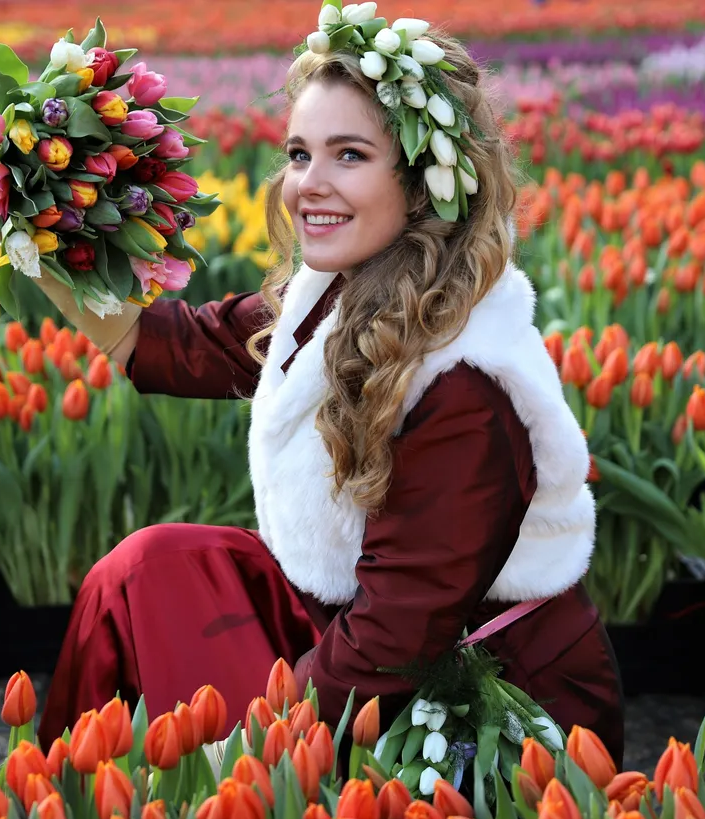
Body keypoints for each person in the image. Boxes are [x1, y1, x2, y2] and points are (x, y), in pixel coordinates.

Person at [31, 15, 625, 765]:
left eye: (349, 155)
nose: (308, 183)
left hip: (482, 707)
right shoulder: (346, 291)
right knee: (143, 573)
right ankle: (62, 797)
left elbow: (391, 644)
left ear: (421, 182)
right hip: (363, 633)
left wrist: (242, 761)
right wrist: (44, 239)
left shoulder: (467, 386)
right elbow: (184, 347)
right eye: (300, 153)